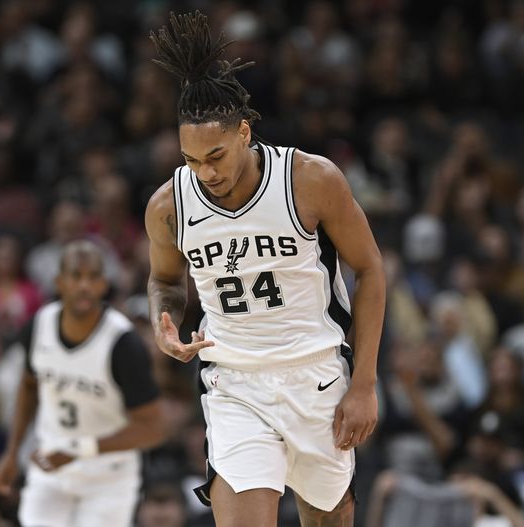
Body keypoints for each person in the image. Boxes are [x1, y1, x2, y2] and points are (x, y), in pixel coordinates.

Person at [145, 12, 385, 526]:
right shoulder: (169, 206)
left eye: (215, 155)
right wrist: (162, 323)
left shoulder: (311, 180)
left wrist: (364, 383)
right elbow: (165, 281)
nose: (205, 173)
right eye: (192, 160)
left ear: (244, 132)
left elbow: (369, 271)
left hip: (317, 376)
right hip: (234, 383)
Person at [0, 240, 167, 527]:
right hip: (52, 464)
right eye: (76, 276)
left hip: (108, 477)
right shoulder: (38, 326)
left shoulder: (123, 343)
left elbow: (152, 428)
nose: (84, 285)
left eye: (93, 277)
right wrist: (11, 453)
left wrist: (80, 448)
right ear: (59, 282)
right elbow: (27, 386)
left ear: (103, 284)